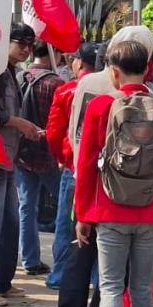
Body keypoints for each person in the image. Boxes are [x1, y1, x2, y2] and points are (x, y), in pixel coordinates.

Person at [75, 38, 153, 307]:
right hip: (151, 210)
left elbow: (86, 163)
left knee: (111, 286)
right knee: (142, 288)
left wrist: (83, 214)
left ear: (114, 71)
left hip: (109, 209)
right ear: (148, 69)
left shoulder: (100, 106)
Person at [0, 24, 41, 302]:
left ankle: (1, 282)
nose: (27, 50)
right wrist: (17, 122)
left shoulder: (11, 72)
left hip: (8, 157)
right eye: (22, 43)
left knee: (10, 225)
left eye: (31, 45)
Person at [45, 42, 99, 293]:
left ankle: (60, 275)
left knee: (67, 224)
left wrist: (62, 157)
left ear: (79, 62)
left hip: (73, 166)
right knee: (101, 225)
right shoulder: (109, 89)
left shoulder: (67, 91)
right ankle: (97, 277)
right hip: (103, 168)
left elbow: (54, 132)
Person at [18, 40, 67, 276]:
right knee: (66, 205)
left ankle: (29, 260)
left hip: (22, 153)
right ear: (52, 52)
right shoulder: (56, 83)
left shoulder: (19, 77)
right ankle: (65, 261)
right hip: (49, 153)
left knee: (26, 207)